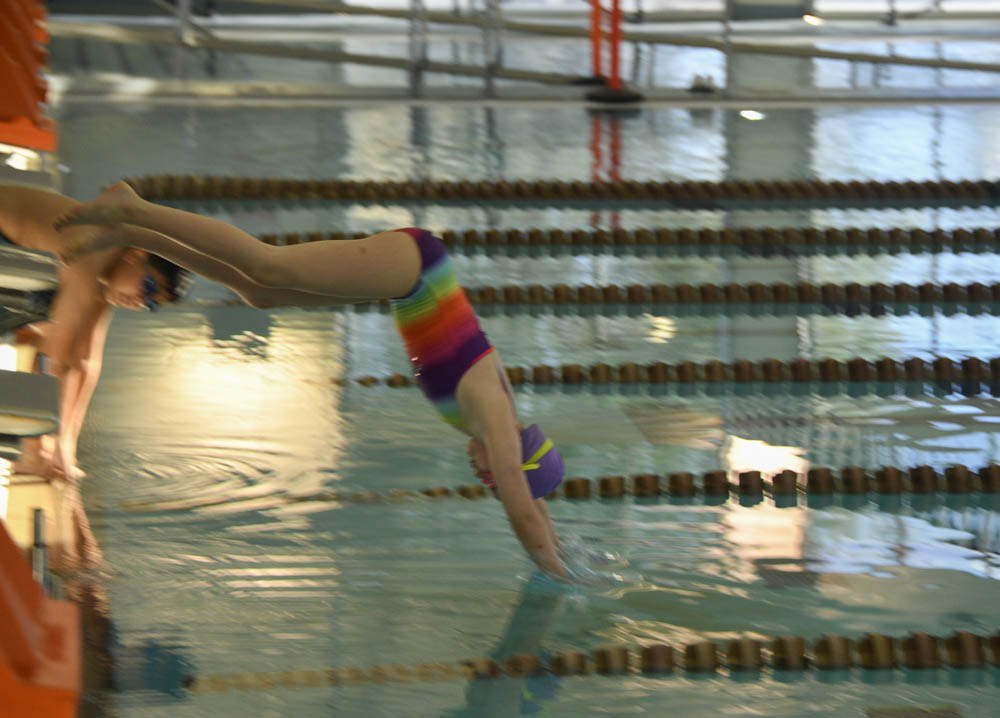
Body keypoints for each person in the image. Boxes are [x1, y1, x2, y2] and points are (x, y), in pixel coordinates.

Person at [55, 180, 569, 579]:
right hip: (416, 270)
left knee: (261, 292)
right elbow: (523, 513)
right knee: (269, 264)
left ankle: (138, 231)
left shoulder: (495, 426)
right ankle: (133, 208)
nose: (484, 473)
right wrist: (560, 573)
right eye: (492, 477)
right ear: (512, 460)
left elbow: (533, 502)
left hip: (409, 282)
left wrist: (560, 543)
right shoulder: (496, 421)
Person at [0, 182, 192, 481]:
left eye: (151, 303)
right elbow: (55, 358)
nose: (140, 302)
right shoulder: (91, 253)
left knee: (56, 322)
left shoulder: (111, 268)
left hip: (13, 254)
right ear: (137, 255)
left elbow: (86, 360)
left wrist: (66, 447)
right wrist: (36, 450)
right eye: (149, 286)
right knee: (52, 333)